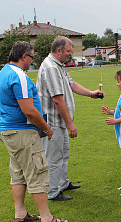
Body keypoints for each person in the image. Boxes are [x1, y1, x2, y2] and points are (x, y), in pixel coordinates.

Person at [0, 41, 70, 222]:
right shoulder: (19, 75)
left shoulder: (3, 72)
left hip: (8, 130)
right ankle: (47, 218)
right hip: (21, 131)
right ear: (24, 56)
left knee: (18, 172)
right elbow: (29, 110)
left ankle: (20, 213)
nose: (33, 61)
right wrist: (46, 128)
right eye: (32, 57)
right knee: (37, 172)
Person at [37, 36, 104, 201]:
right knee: (53, 157)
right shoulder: (51, 68)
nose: (70, 54)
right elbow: (57, 99)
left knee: (63, 153)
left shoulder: (58, 65)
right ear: (58, 50)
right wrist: (70, 124)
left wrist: (91, 93)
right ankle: (52, 192)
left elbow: (71, 84)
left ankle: (63, 183)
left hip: (59, 122)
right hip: (52, 123)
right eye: (68, 51)